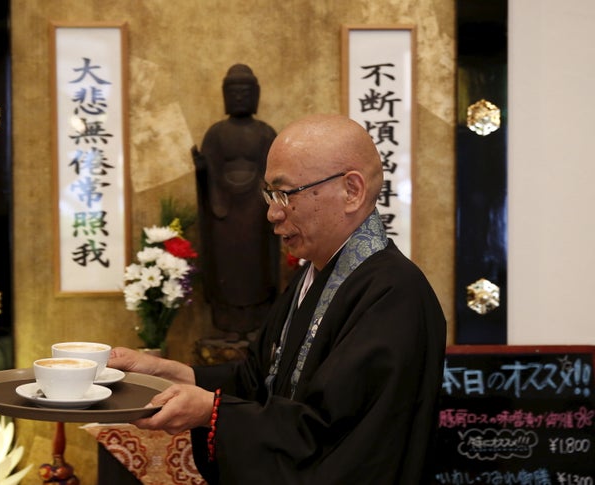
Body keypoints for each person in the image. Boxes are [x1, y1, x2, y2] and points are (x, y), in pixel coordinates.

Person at [109, 114, 447, 484]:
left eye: (286, 194)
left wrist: (213, 412)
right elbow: (259, 379)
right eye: (269, 194)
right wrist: (168, 373)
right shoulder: (313, 275)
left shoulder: (394, 294)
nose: (272, 212)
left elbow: (334, 438)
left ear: (352, 191)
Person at [191, 64, 280, 339]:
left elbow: (275, 170)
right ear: (225, 96)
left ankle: (256, 324)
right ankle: (228, 325)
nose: (240, 97)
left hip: (256, 208)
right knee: (227, 267)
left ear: (256, 95)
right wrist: (201, 169)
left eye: (245, 92)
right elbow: (212, 172)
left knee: (257, 267)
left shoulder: (266, 133)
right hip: (224, 210)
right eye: (234, 92)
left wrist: (261, 199)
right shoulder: (216, 133)